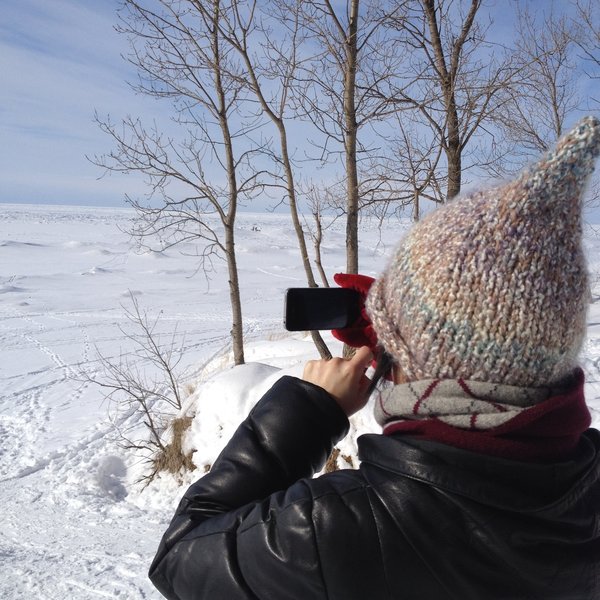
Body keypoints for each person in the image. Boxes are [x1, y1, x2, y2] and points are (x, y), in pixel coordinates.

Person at [149, 116, 600, 599]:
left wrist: (308, 411)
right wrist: (406, 336)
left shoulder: (339, 530)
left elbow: (181, 558)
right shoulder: (585, 490)